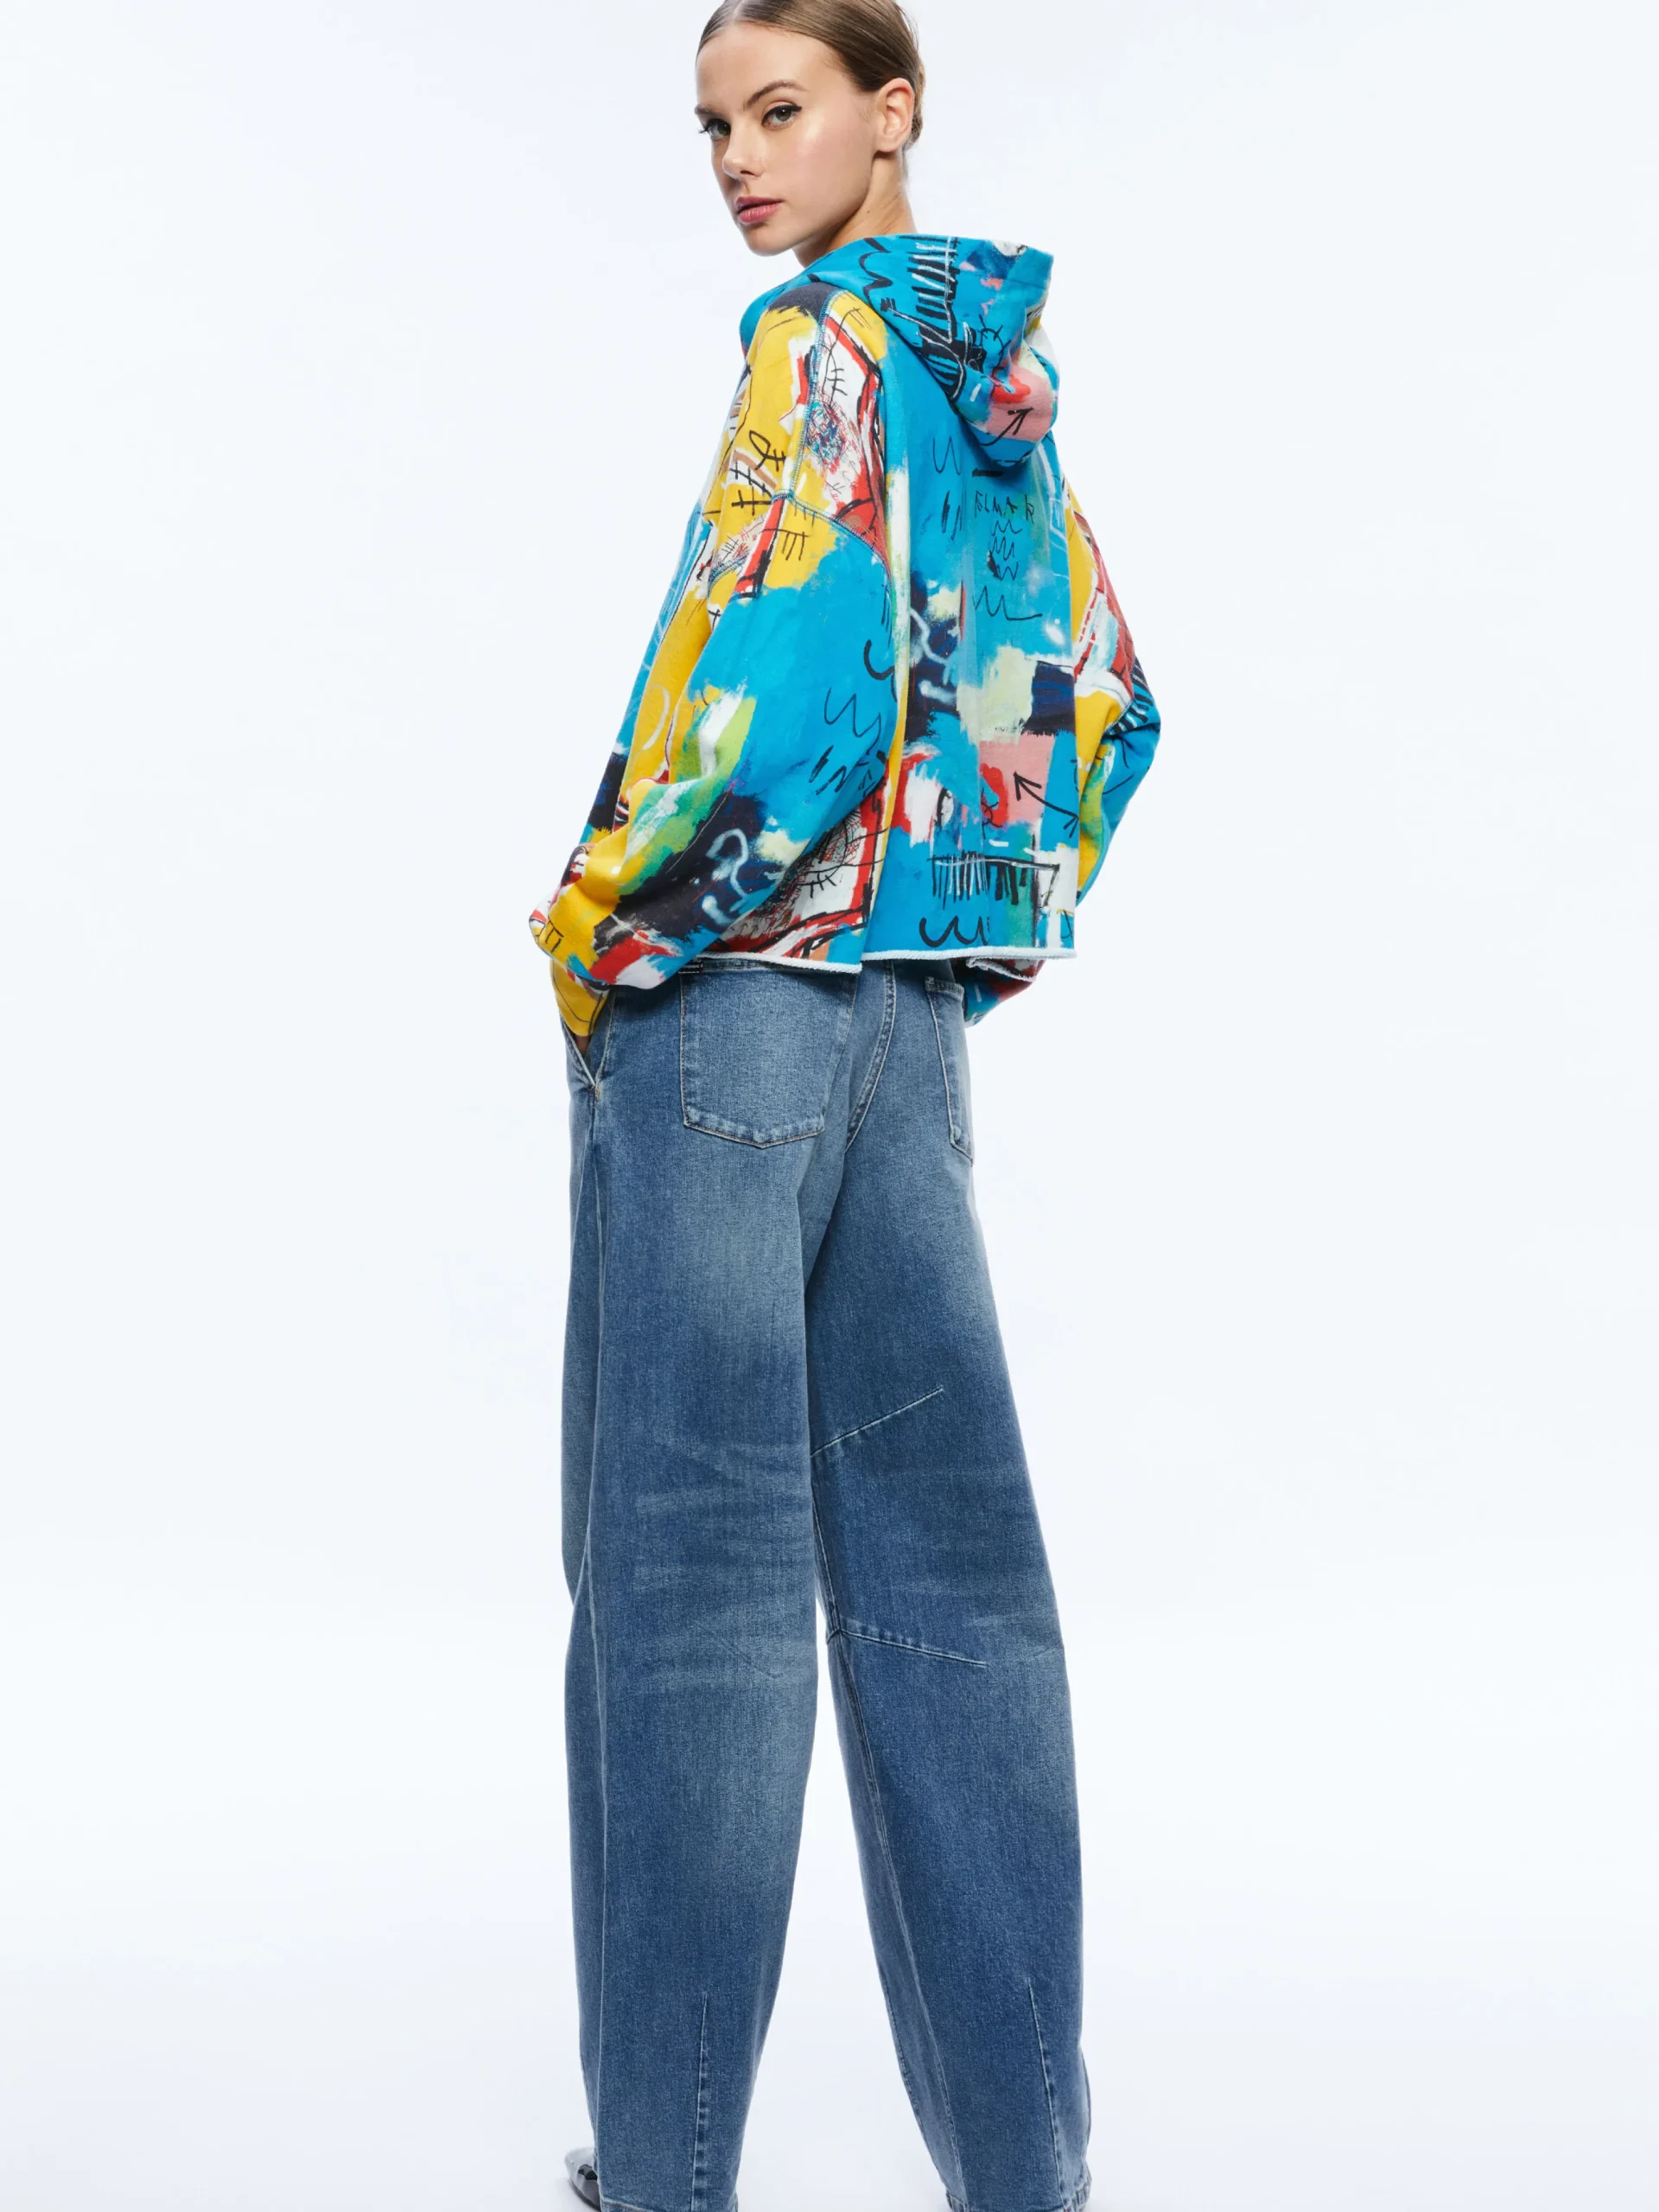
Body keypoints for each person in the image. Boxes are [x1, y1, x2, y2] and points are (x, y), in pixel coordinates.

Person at [529, 4, 1161, 2208]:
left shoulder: (814, 349)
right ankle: (1027, 2171)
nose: (738, 155)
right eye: (715, 122)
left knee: (687, 1601)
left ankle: (671, 2174)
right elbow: (1102, 691)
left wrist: (608, 918)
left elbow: (780, 678)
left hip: (726, 1014)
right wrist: (978, 906)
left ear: (894, 114)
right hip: (906, 1031)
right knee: (955, 1593)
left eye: (779, 108)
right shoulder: (1000, 390)